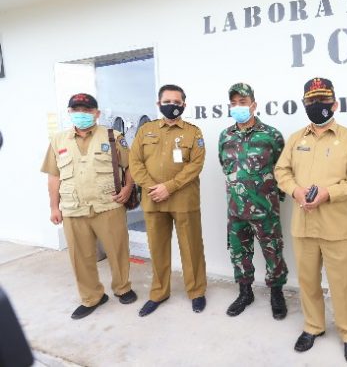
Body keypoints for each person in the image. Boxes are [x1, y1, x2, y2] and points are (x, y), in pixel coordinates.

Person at [274, 77, 347, 366]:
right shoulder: (296, 139)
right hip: (303, 225)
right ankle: (313, 326)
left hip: (336, 226)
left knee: (343, 284)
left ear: (335, 104)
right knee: (308, 281)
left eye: (323, 100)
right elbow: (281, 171)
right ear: (304, 104)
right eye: (311, 101)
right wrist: (295, 190)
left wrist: (329, 193)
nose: (317, 106)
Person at [41, 93, 137, 319]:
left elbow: (131, 166)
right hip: (73, 208)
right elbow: (54, 176)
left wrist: (127, 188)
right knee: (80, 257)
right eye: (76, 110)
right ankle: (91, 297)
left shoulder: (113, 136)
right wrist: (54, 207)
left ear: (97, 113)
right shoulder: (58, 140)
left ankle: (122, 288)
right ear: (69, 112)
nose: (81, 114)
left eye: (87, 110)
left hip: (109, 205)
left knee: (118, 250)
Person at [129, 84, 208, 316]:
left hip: (184, 200)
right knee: (158, 249)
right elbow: (135, 162)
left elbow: (196, 164)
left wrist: (169, 187)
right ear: (158, 104)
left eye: (176, 102)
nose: (172, 105)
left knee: (191, 248)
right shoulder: (146, 130)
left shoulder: (193, 132)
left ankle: (196, 292)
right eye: (167, 102)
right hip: (153, 199)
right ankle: (159, 293)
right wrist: (152, 187)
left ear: (184, 104)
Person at [218, 83, 289, 319]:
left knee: (273, 253)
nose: (238, 106)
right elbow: (225, 167)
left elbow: (283, 170)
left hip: (265, 209)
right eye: (234, 103)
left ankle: (276, 293)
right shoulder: (225, 136)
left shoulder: (271, 135)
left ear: (253, 105)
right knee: (239, 253)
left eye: (243, 102)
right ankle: (245, 292)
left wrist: (274, 199)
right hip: (235, 210)